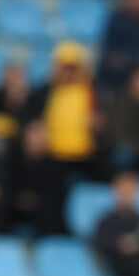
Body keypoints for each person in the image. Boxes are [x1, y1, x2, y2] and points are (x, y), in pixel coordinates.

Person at [40, 42, 102, 183]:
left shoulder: (92, 91)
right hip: (53, 154)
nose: (68, 72)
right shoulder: (46, 92)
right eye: (64, 67)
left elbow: (99, 121)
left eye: (72, 67)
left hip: (85, 155)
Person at [0, 120, 69, 238]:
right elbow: (5, 186)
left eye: (40, 135)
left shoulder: (56, 166)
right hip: (14, 209)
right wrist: (20, 200)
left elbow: (57, 194)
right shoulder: (11, 161)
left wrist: (35, 201)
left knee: (50, 212)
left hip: (43, 213)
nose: (36, 139)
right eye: (33, 134)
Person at [0, 61, 42, 147]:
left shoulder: (34, 101)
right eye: (9, 78)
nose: (12, 82)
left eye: (16, 77)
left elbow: (36, 127)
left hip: (22, 149)